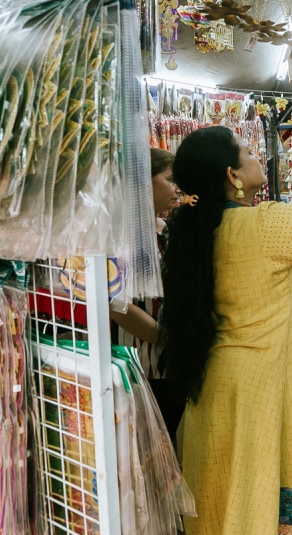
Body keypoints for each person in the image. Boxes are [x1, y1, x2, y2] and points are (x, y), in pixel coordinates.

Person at [161, 99, 292, 534]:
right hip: (260, 393)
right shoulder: (267, 225)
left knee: (222, 503)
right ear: (233, 177)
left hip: (216, 386)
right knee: (251, 509)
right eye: (249, 152)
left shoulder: (194, 230)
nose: (257, 156)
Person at [109, 147, 185, 437]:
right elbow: (118, 306)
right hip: (142, 366)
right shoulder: (124, 236)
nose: (177, 189)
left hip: (171, 364)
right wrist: (164, 337)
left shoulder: (164, 228)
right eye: (170, 179)